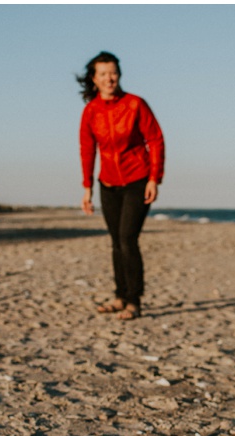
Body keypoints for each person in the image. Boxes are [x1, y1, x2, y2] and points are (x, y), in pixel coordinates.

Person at [78, 51, 165, 321]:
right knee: (116, 242)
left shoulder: (135, 104)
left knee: (128, 239)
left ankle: (134, 301)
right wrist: (87, 187)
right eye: (103, 73)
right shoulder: (91, 111)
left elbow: (156, 140)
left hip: (137, 181)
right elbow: (87, 149)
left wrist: (154, 178)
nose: (109, 78)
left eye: (113, 72)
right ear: (94, 79)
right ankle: (120, 296)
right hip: (107, 184)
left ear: (120, 74)